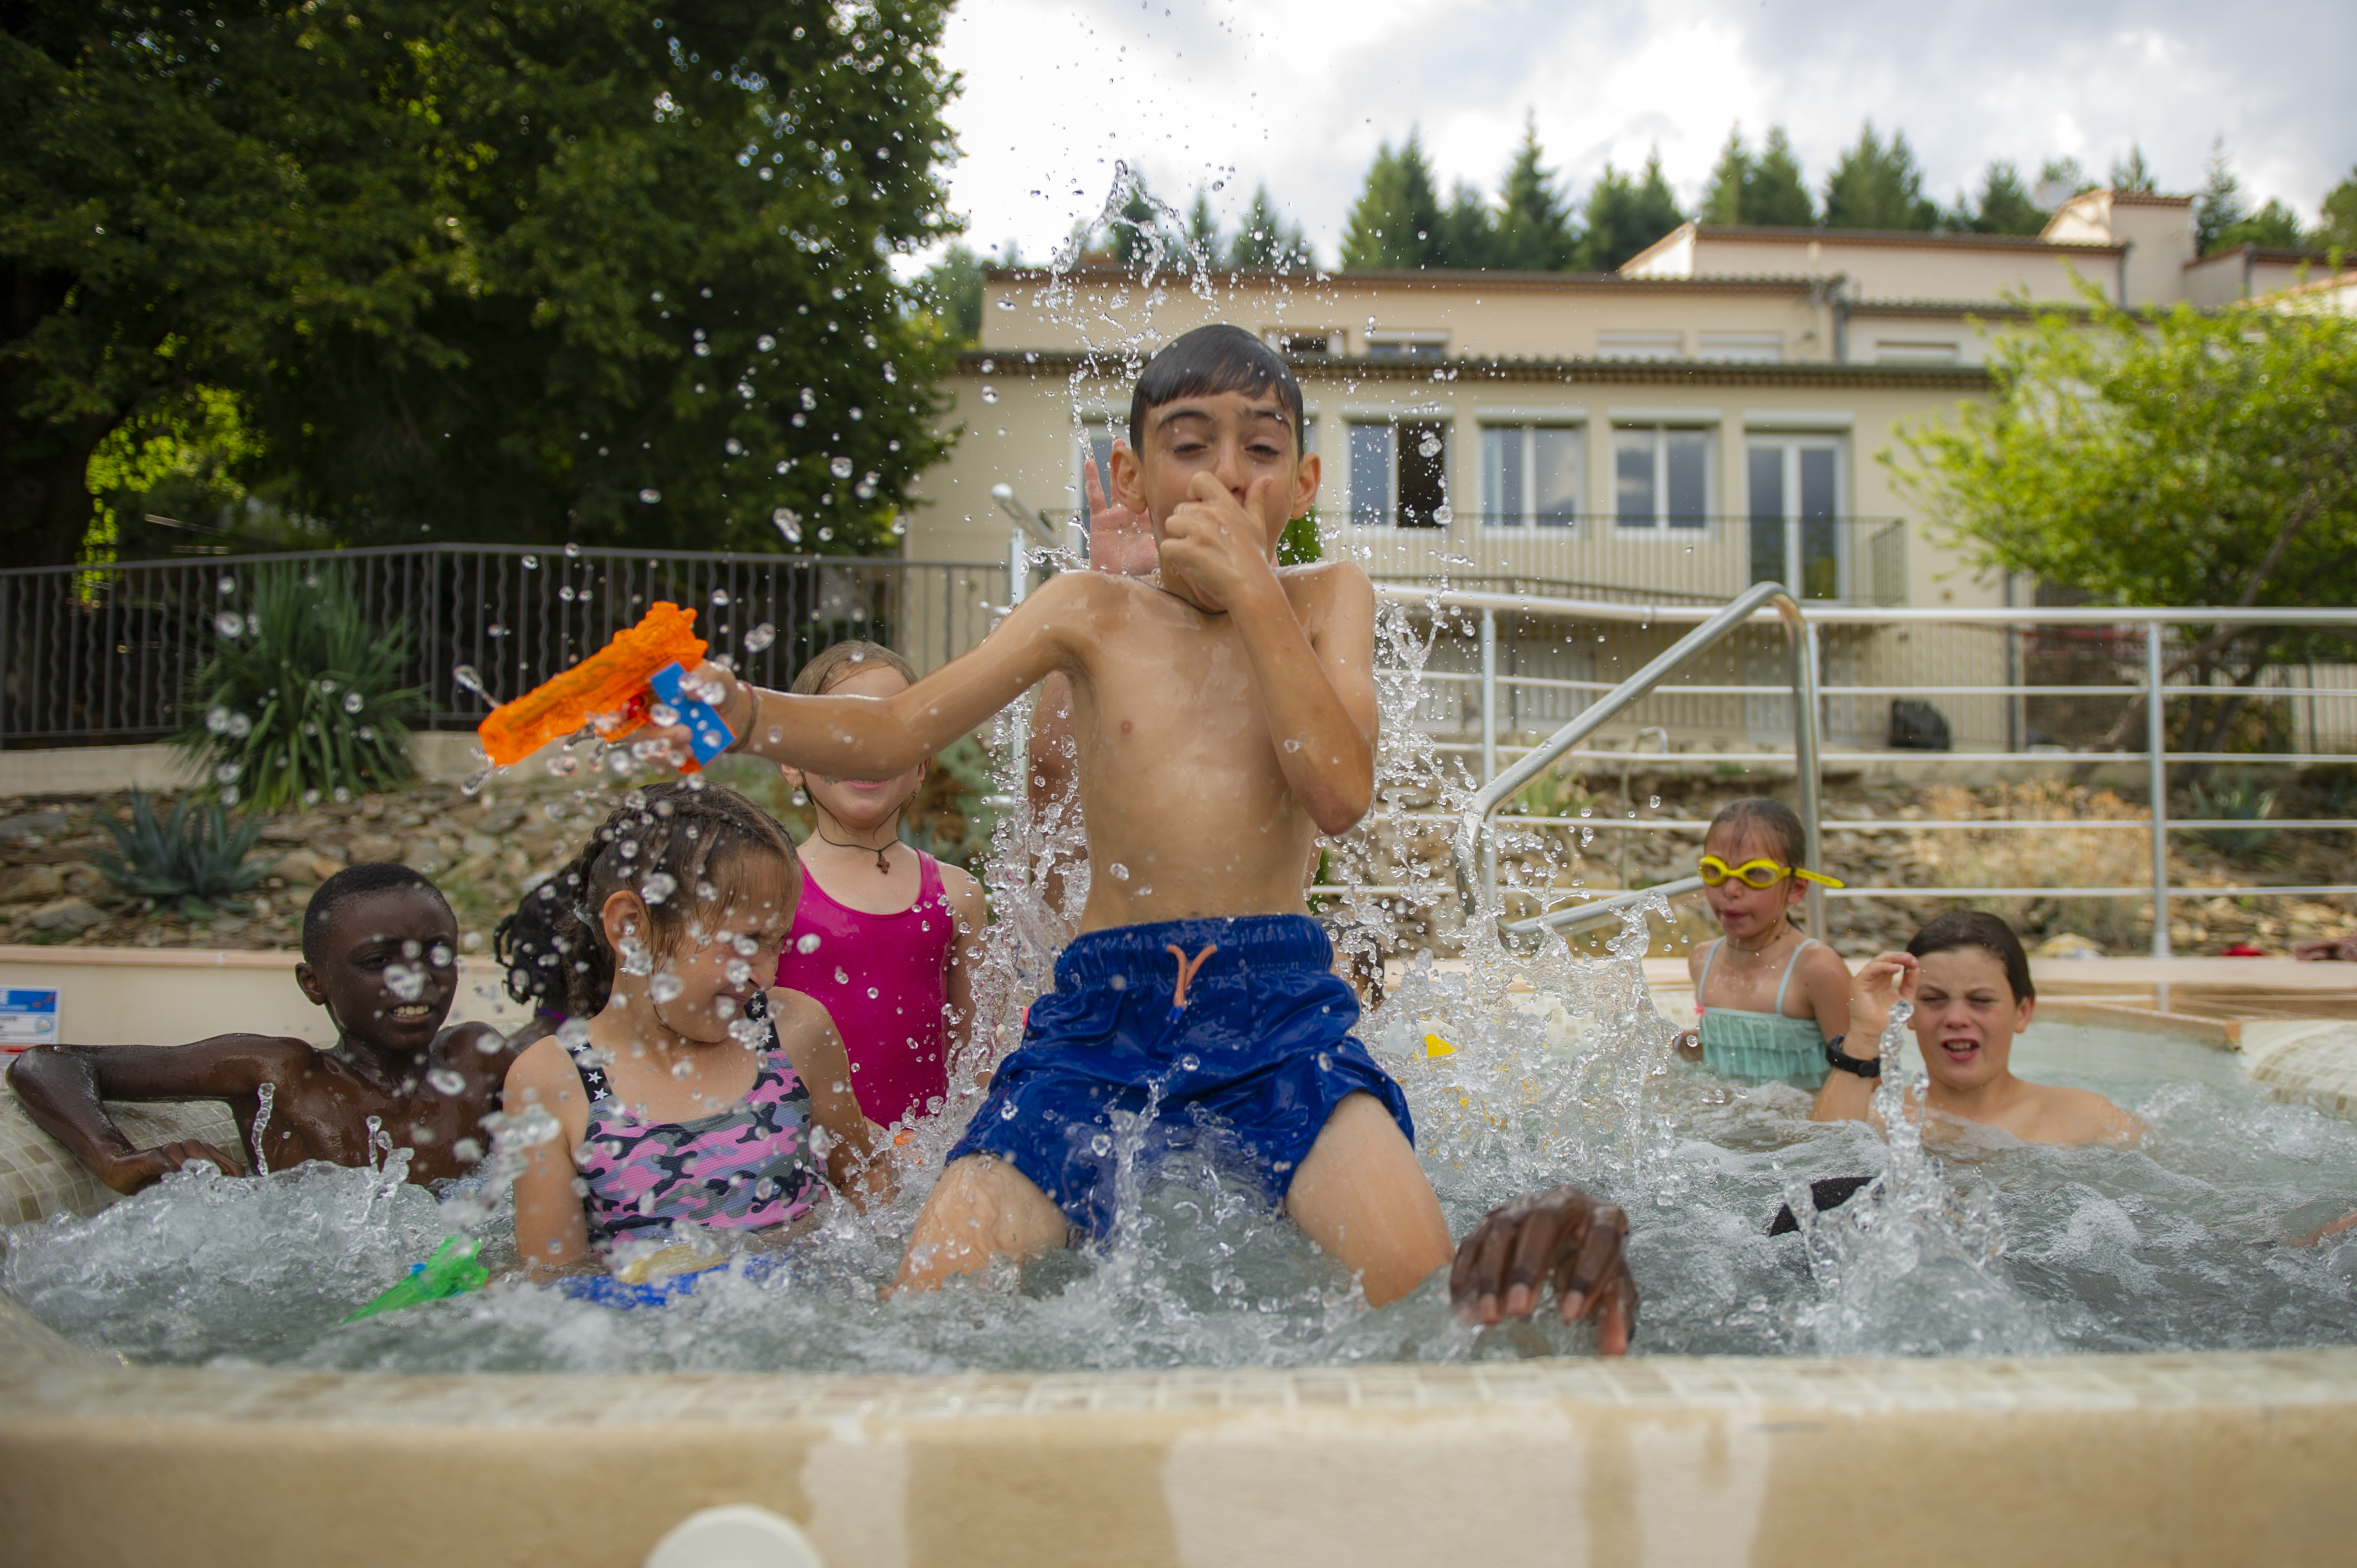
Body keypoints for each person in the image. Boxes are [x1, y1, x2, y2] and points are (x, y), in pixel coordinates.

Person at [664, 322, 1591, 1324]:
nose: (1227, 477)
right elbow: (893, 728)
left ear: (1307, 480)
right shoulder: (1087, 611)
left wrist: (1252, 593)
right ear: (1132, 475)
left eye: (1262, 450)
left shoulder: (1326, 600)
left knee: (1427, 1296)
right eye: (1190, 446)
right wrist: (749, 711)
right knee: (924, 1303)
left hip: (1276, 1009)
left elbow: (1339, 790)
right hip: (1104, 1013)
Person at [501, 781, 890, 1276]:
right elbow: (552, 1280)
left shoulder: (793, 1033)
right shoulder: (553, 1082)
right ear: (630, 928)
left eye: (777, 943)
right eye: (746, 941)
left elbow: (866, 1179)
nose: (765, 975)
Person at [6, 863, 516, 1190]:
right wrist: (113, 1157)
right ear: (313, 983)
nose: (415, 980)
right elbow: (46, 1063)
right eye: (378, 960)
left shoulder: (476, 1058)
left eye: (439, 954)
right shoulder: (282, 1073)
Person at [770, 640, 987, 1130]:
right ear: (792, 761)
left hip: (922, 1162)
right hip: (809, 1162)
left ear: (921, 765)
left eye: (889, 731)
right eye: (841, 729)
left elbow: (976, 1055)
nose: (865, 750)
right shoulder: (774, 888)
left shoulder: (957, 895)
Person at [1812, 909, 2140, 1146]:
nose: (1956, 1018)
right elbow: (1820, 1166)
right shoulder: (1878, 1120)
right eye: (1934, 999)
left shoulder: (2091, 1121)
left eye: (1981, 1001)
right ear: (1908, 1014)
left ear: (2023, 1012)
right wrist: (1865, 1035)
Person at [1672, 797, 1851, 1089]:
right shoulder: (1702, 961)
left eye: (1754, 874)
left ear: (1795, 889)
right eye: (1715, 871)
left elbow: (1861, 1075)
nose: (1730, 890)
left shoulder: (1816, 969)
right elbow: (1734, 1047)